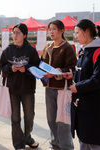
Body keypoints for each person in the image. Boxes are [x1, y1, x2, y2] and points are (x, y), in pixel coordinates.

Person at [64, 19, 100, 150]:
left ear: (87, 31)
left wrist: (77, 86)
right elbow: (86, 71)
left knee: (96, 143)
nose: (75, 36)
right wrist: (73, 74)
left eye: (77, 32)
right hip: (83, 107)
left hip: (93, 107)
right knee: (84, 140)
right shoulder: (84, 51)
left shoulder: (99, 52)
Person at [0, 23, 40, 150]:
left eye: (18, 33)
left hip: (27, 89)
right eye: (13, 33)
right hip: (12, 90)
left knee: (29, 116)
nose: (14, 35)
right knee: (15, 118)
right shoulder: (7, 51)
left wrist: (25, 69)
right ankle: (18, 144)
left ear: (25, 35)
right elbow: (1, 69)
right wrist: (11, 68)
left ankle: (27, 137)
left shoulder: (31, 50)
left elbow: (37, 68)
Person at [41, 20, 77, 150]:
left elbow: (73, 69)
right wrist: (41, 73)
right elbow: (41, 64)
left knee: (63, 121)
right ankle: (55, 144)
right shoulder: (47, 47)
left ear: (62, 30)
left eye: (54, 29)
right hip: (49, 88)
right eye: (49, 29)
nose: (51, 32)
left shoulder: (67, 48)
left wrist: (56, 73)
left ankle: (66, 146)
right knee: (51, 119)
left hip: (63, 89)